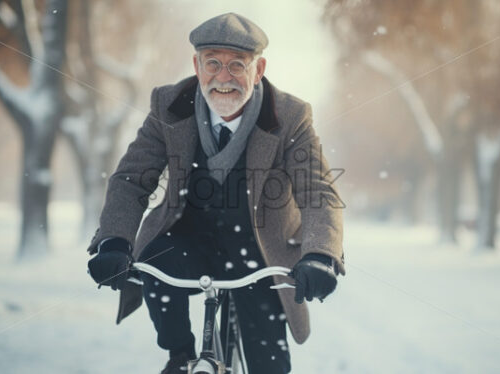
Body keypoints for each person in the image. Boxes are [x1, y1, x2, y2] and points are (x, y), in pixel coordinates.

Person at [86, 12, 345, 374]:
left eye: (237, 65)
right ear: (196, 65)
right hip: (188, 240)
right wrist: (114, 240)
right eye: (213, 64)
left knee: (269, 366)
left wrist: (320, 255)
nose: (223, 77)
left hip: (261, 254)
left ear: (259, 69)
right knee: (157, 267)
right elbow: (132, 179)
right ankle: (180, 356)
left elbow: (318, 192)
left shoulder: (290, 116)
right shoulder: (169, 106)